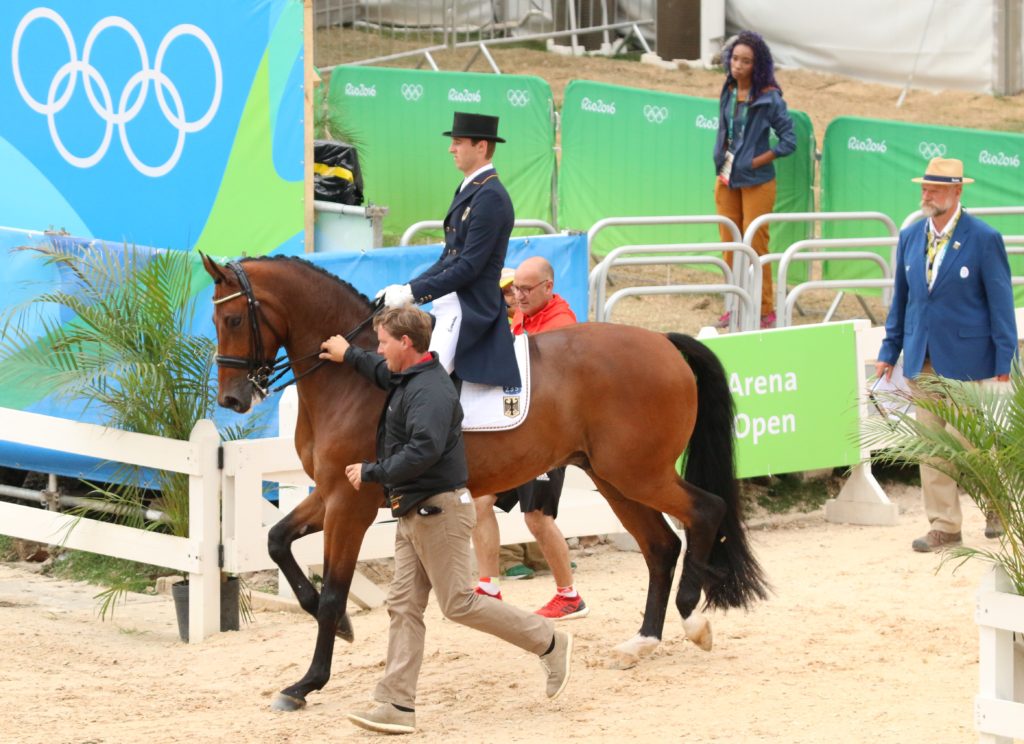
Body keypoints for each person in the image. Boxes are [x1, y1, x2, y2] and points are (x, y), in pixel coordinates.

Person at [319, 306, 572, 735]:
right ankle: (397, 704)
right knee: (403, 606)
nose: (378, 350)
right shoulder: (407, 375)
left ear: (406, 344)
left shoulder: (431, 392)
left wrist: (372, 472)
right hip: (413, 511)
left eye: (382, 343)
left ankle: (548, 640)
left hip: (438, 510)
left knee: (459, 603)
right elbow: (381, 371)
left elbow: (425, 450)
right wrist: (350, 355)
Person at [875, 157, 1017, 553]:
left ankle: (996, 504)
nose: (927, 194)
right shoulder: (909, 237)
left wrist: (1005, 356)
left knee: (969, 443)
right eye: (924, 187)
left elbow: (1000, 302)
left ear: (957, 192)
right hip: (922, 357)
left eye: (935, 189)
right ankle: (944, 525)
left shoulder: (983, 238)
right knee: (931, 445)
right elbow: (901, 301)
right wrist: (890, 349)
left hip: (969, 358)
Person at [472, 257, 588, 620]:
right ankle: (488, 586)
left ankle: (569, 595)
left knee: (537, 517)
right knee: (479, 500)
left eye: (523, 289)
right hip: (521, 432)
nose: (516, 296)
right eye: (513, 289)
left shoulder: (561, 324)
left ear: (548, 288)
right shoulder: (526, 315)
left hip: (549, 438)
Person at [378, 112, 520, 388]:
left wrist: (413, 293)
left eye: (458, 142)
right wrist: (407, 289)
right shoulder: (471, 189)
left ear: (481, 147)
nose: (451, 148)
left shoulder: (490, 196)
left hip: (468, 307)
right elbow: (449, 257)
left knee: (427, 384)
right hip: (450, 302)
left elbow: (469, 266)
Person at [712, 30, 796, 330]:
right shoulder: (729, 88)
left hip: (758, 180)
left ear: (757, 65)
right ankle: (733, 306)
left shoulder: (769, 97)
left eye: (745, 61)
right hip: (727, 176)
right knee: (730, 244)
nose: (738, 65)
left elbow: (789, 140)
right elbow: (725, 129)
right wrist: (723, 158)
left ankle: (764, 311)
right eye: (735, 58)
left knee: (755, 244)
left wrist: (756, 159)